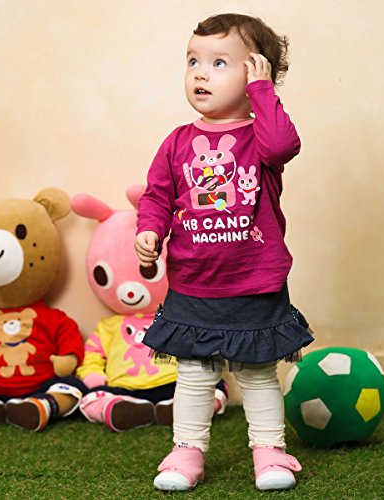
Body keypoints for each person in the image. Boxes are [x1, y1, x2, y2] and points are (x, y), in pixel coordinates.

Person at [134, 13, 314, 492]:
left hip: (254, 282)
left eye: (218, 63)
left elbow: (285, 145)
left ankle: (269, 450)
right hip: (194, 284)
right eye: (193, 61)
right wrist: (149, 231)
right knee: (195, 375)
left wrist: (262, 92)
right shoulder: (177, 142)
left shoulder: (262, 139)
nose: (200, 73)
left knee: (257, 374)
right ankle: (186, 451)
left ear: (256, 73)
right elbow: (157, 197)